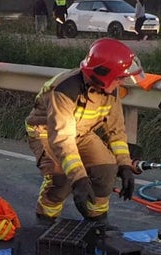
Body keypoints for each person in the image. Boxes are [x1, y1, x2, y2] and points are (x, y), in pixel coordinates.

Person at [24, 38, 144, 225]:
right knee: (62, 178)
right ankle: (45, 217)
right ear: (104, 74)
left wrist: (125, 166)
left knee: (106, 169)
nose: (122, 82)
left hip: (82, 133)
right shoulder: (64, 90)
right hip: (47, 133)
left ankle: (96, 217)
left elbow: (116, 131)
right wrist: (79, 178)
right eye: (120, 78)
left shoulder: (109, 89)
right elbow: (62, 139)